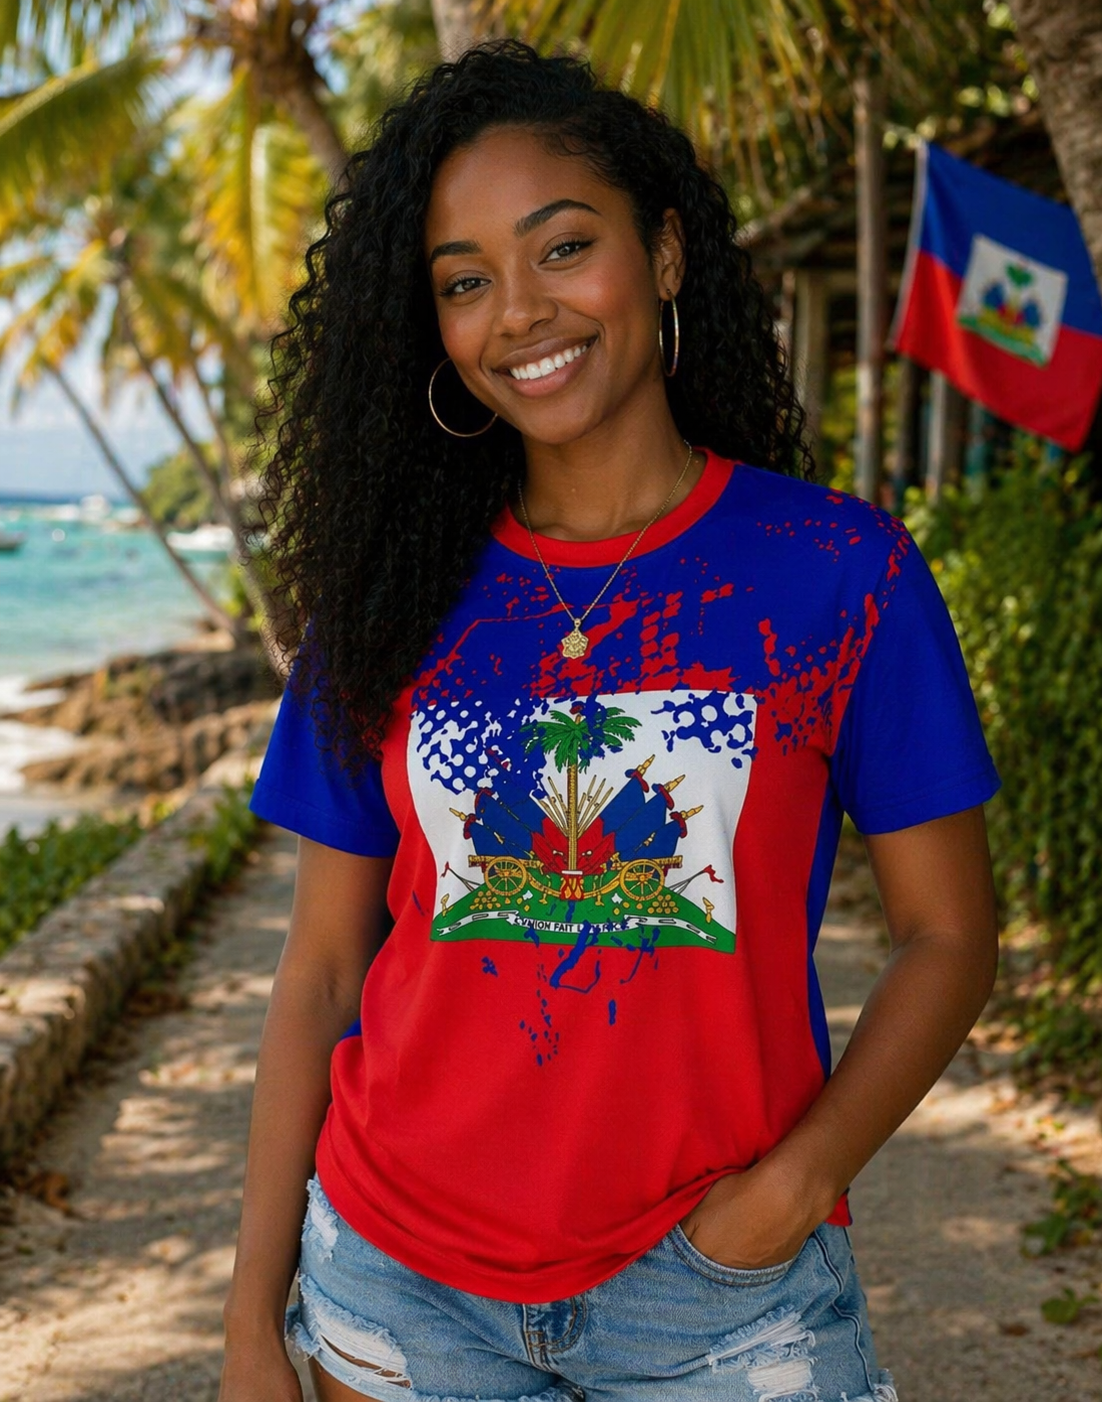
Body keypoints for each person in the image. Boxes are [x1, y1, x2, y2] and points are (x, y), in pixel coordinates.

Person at [218, 40, 1000, 1402]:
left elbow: (948, 934)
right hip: (397, 1282)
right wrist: (247, 1328)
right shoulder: (385, 599)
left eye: (561, 247)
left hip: (720, 1291)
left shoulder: (837, 573)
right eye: (463, 281)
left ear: (667, 255)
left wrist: (792, 1188)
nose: (518, 310)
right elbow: (325, 969)